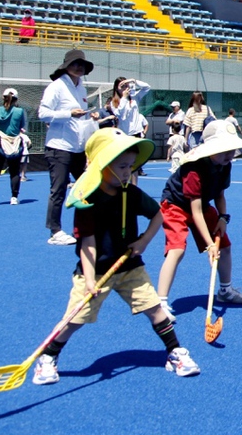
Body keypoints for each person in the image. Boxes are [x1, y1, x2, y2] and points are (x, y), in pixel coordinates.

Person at [31, 129, 199, 386]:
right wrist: (89, 280)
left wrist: (143, 241)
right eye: (121, 166)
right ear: (102, 165)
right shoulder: (87, 200)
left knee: (155, 309)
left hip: (130, 267)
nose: (127, 171)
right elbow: (87, 243)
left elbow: (158, 214)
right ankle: (48, 357)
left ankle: (174, 352)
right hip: (96, 271)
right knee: (75, 319)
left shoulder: (130, 194)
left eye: (130, 166)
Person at [156, 120, 242, 320]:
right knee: (177, 249)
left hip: (201, 204)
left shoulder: (225, 165)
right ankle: (161, 303)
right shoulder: (194, 169)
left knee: (224, 246)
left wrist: (223, 218)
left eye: (231, 149)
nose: (229, 154)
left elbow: (219, 195)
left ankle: (225, 291)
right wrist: (209, 245)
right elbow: (196, 210)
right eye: (223, 149)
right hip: (176, 205)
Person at [38, 49, 101, 246]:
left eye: (82, 64)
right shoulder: (56, 86)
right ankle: (55, 231)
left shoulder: (81, 88)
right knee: (58, 190)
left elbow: (79, 116)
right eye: (75, 63)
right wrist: (68, 114)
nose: (79, 67)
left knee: (89, 187)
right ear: (66, 66)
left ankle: (88, 226)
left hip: (78, 148)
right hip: (59, 147)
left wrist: (90, 117)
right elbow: (42, 113)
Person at [0, 88, 27, 206]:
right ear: (16, 99)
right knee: (14, 172)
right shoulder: (20, 111)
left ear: (3, 98)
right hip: (14, 145)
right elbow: (22, 127)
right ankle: (14, 197)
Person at [107, 77, 152, 181]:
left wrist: (133, 80)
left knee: (135, 164)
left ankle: (134, 187)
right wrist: (123, 98)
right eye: (122, 86)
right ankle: (122, 184)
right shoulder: (114, 102)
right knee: (124, 162)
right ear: (117, 88)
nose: (125, 88)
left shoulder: (134, 97)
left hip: (136, 133)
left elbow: (147, 87)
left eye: (126, 86)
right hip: (124, 135)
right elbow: (119, 113)